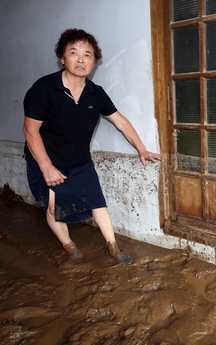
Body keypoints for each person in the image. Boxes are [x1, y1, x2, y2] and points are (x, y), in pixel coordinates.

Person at [23, 28, 161, 265]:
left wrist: (142, 148)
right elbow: (30, 131)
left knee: (98, 201)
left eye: (87, 55)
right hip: (47, 159)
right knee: (55, 207)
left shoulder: (95, 94)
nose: (80, 59)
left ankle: (113, 248)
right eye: (74, 52)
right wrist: (46, 168)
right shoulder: (44, 88)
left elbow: (121, 121)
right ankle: (70, 247)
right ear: (62, 57)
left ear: (95, 62)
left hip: (79, 160)